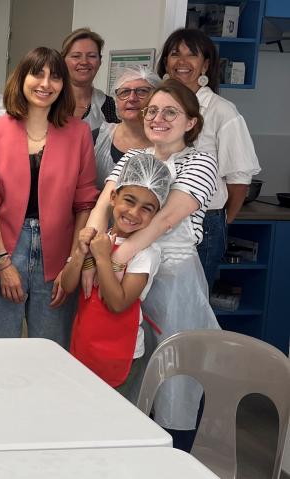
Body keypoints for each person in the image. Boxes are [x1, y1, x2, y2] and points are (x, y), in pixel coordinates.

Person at [83, 79, 219, 448]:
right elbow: (103, 205)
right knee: (125, 369)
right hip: (121, 276)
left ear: (191, 122)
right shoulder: (132, 158)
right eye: (153, 111)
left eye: (170, 112)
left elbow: (164, 220)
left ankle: (175, 456)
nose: (158, 118)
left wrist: (113, 259)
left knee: (176, 379)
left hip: (172, 285)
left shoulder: (201, 161)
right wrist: (86, 252)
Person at [0, 47, 98, 346]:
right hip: (4, 247)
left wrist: (73, 262)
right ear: (21, 78)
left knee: (52, 351)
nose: (45, 84)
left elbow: (84, 203)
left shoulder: (79, 132)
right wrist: (4, 264)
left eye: (55, 77)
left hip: (59, 252)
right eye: (38, 73)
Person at [62, 153, 171, 403]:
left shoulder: (145, 253)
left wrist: (101, 258)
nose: (134, 212)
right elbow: (68, 286)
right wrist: (80, 253)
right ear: (113, 197)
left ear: (156, 214)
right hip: (85, 345)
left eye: (147, 208)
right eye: (129, 201)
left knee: (113, 422)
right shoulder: (99, 238)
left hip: (123, 355)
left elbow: (118, 303)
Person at [157, 28, 260, 289]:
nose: (181, 61)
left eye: (192, 55)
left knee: (190, 304)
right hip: (158, 219)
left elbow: (239, 179)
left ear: (205, 65)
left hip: (203, 224)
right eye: (174, 53)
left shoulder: (221, 111)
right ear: (165, 63)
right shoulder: (157, 107)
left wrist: (220, 224)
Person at [93, 66, 161, 189]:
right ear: (116, 100)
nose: (132, 98)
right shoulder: (95, 138)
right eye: (124, 92)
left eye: (142, 91)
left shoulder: (167, 144)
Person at [61, 28, 118, 129]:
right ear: (63, 61)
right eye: (76, 56)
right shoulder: (49, 100)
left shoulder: (109, 105)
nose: (84, 62)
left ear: (100, 62)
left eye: (91, 56)